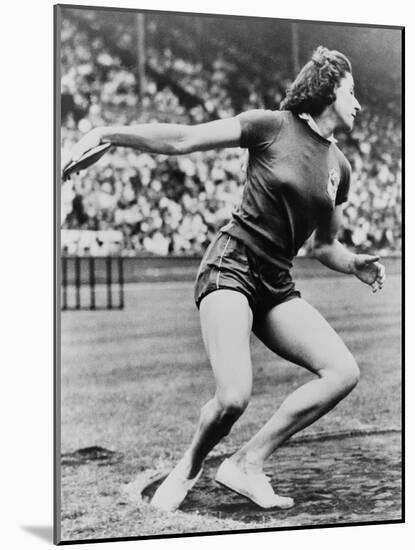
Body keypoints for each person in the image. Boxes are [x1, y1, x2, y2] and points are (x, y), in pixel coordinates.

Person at [63, 46, 386, 512]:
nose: (357, 103)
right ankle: (190, 466)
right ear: (330, 90)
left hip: (276, 283)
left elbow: (324, 246)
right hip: (231, 266)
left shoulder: (343, 167)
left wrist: (352, 261)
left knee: (343, 372)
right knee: (233, 397)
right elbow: (183, 140)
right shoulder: (271, 125)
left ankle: (247, 463)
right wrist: (107, 132)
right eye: (351, 92)